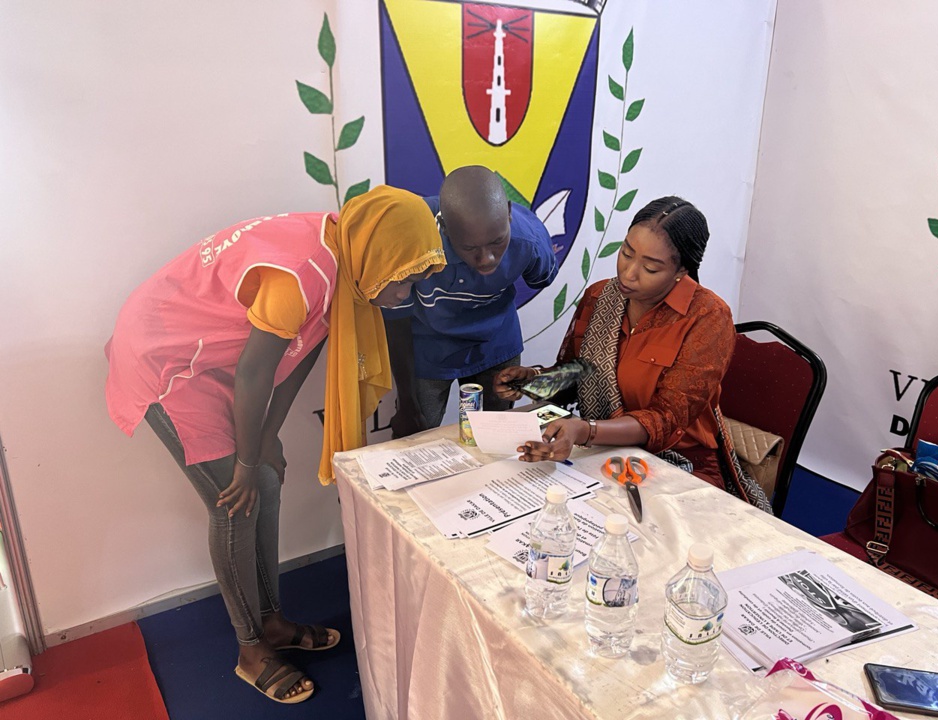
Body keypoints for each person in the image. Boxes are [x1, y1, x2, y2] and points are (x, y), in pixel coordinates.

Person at [104, 186, 444, 704]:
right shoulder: (305, 273)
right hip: (168, 362)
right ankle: (250, 649)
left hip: (214, 359)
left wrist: (266, 438)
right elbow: (254, 371)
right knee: (235, 501)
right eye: (405, 280)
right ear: (379, 255)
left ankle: (271, 622)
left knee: (264, 481)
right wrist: (245, 460)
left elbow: (298, 356)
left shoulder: (347, 258)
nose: (406, 295)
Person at [495, 196, 766, 505]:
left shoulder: (707, 317)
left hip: (678, 461)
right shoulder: (600, 297)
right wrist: (534, 380)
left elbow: (665, 419)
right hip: (599, 449)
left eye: (650, 268)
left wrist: (586, 430)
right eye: (626, 253)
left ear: (682, 270)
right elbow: (577, 374)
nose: (628, 273)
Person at [384, 165, 558, 437]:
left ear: (509, 214)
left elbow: (541, 277)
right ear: (444, 228)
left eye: (497, 242)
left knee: (496, 436)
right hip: (428, 348)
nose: (486, 259)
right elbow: (396, 322)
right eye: (469, 248)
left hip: (494, 344)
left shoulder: (528, 241)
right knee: (414, 437)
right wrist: (406, 401)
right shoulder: (413, 241)